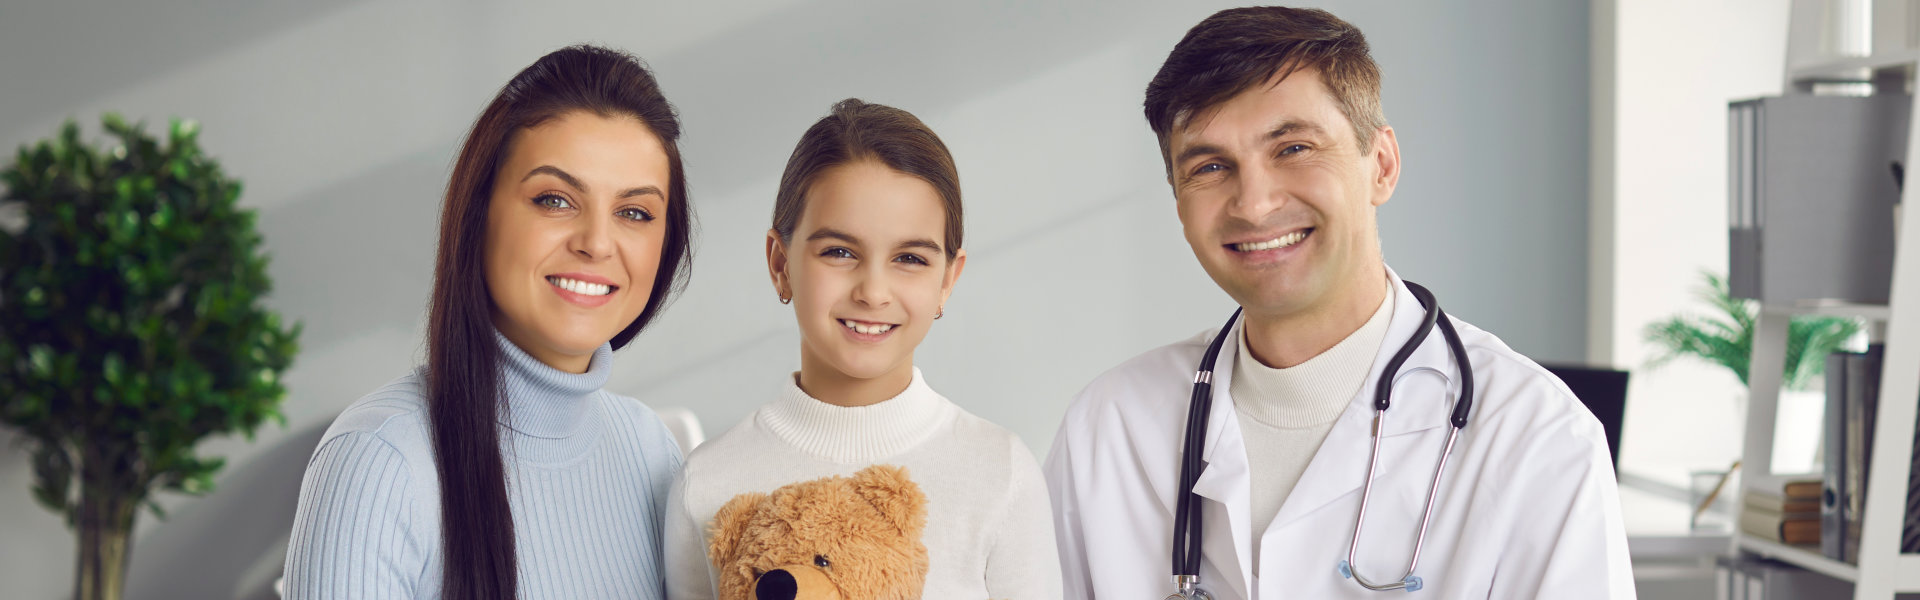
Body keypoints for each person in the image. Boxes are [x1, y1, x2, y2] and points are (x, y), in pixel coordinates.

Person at [1043, 7, 1634, 599]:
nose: (1253, 204)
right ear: (1178, 202)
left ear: (1381, 165)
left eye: (1294, 148)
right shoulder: (1109, 429)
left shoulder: (1539, 439)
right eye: (1211, 166)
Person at [283, 45, 695, 599]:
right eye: (554, 200)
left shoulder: (652, 452)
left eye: (635, 212)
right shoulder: (378, 462)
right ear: (480, 216)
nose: (597, 243)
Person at [663, 99, 1061, 599]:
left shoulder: (1001, 473)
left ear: (947, 280)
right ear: (781, 262)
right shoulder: (707, 482)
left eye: (910, 258)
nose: (873, 291)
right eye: (839, 252)